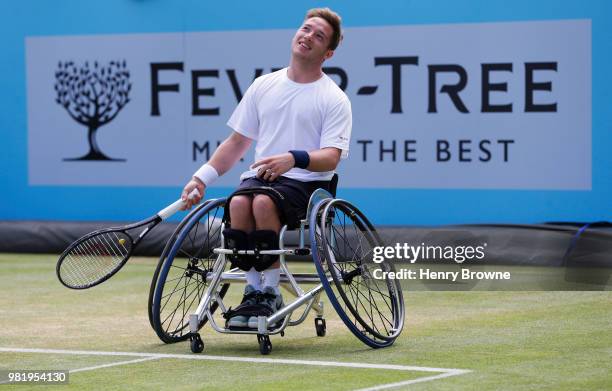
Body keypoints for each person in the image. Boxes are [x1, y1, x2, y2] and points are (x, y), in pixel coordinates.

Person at [181, 7, 351, 328]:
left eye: (319, 36)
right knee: (240, 202)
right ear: (295, 34)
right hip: (261, 179)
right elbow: (235, 143)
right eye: (305, 29)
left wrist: (293, 157)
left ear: (327, 53)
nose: (308, 37)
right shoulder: (263, 85)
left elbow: (331, 156)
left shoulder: (334, 98)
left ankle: (270, 291)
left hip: (306, 184)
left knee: (261, 202)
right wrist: (200, 178)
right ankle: (252, 291)